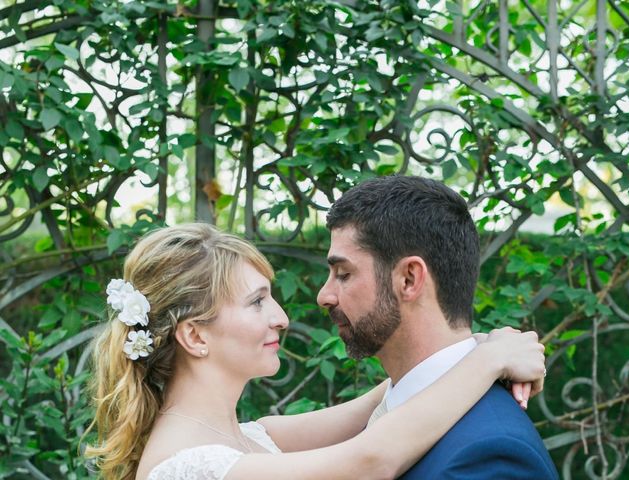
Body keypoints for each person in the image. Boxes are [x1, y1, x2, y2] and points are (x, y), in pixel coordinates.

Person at [84, 223, 546, 480]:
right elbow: (372, 460)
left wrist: (480, 345)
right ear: (196, 337)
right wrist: (488, 361)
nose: (282, 316)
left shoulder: (250, 436)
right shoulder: (190, 466)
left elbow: (398, 389)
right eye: (257, 301)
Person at [314, 175, 559, 479]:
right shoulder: (394, 408)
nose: (324, 296)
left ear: (409, 279)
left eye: (343, 273)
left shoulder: (492, 456)